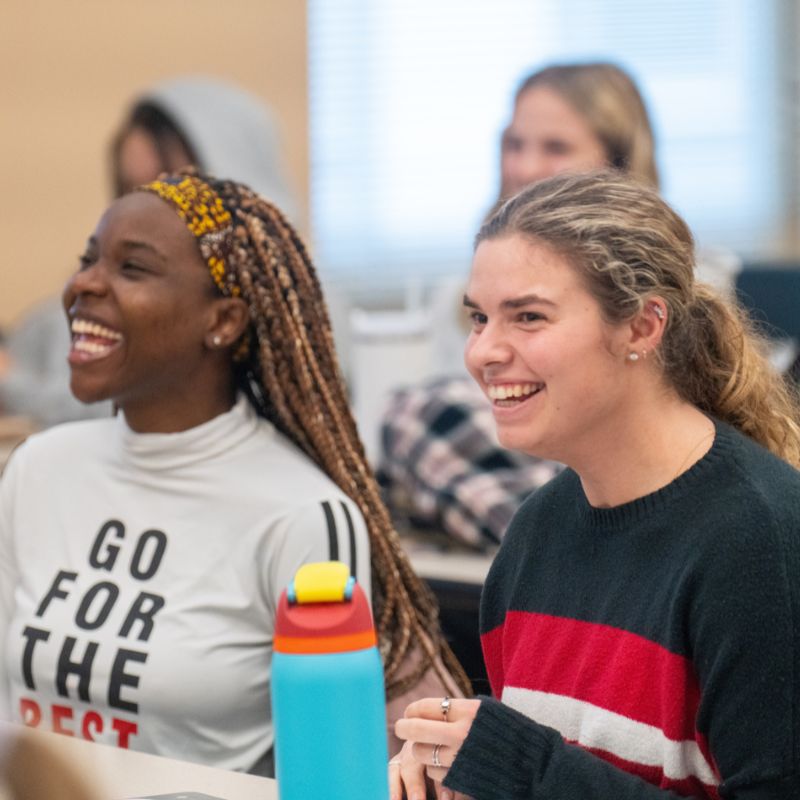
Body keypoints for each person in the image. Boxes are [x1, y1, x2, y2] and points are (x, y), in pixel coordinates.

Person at [0, 170, 470, 776]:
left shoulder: (304, 515)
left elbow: (331, 776)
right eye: (89, 260)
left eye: (132, 269)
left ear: (223, 320)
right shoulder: (38, 467)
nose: (84, 285)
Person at [392, 170, 800, 799]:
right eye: (480, 318)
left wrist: (525, 770)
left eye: (528, 317)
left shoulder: (758, 543)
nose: (484, 352)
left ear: (642, 327)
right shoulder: (536, 533)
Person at [379, 62, 661, 550]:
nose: (527, 168)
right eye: (514, 145)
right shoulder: (459, 291)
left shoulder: (685, 291)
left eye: (556, 148)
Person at [0, 76, 301, 428]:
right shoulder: (72, 308)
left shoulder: (299, 319)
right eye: (131, 190)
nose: (144, 210)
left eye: (172, 188)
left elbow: (130, 406)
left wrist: (14, 385)